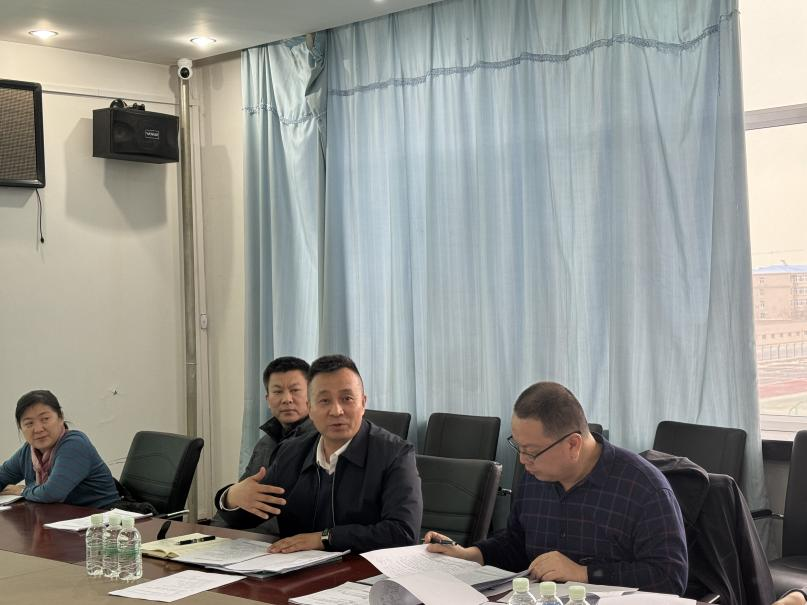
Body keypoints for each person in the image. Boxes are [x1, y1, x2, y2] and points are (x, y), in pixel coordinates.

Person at [426, 381, 688, 595]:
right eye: (518, 447)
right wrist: (470, 555)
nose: (523, 460)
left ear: (573, 444)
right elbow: (518, 543)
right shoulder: (534, 475)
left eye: (531, 451)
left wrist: (583, 573)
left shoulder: (643, 488)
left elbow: (670, 576)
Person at [215, 354, 422, 553]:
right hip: (295, 570)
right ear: (310, 408)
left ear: (363, 403)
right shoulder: (290, 451)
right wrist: (231, 497)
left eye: (347, 398)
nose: (337, 411)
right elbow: (250, 516)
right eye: (324, 401)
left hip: (364, 572)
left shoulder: (395, 454)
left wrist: (324, 538)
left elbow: (403, 533)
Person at [212, 356, 315, 530]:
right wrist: (228, 499)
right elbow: (243, 497)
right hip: (250, 538)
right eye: (278, 392)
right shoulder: (265, 443)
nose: (287, 399)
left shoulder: (323, 442)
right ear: (268, 399)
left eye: (295, 390)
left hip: (290, 541)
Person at [0, 390, 119, 508]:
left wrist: (23, 491)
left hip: (104, 515)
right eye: (29, 423)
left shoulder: (75, 444)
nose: (38, 429)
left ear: (60, 417)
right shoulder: (28, 451)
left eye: (45, 419)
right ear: (20, 428)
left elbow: (51, 494)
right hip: (61, 516)